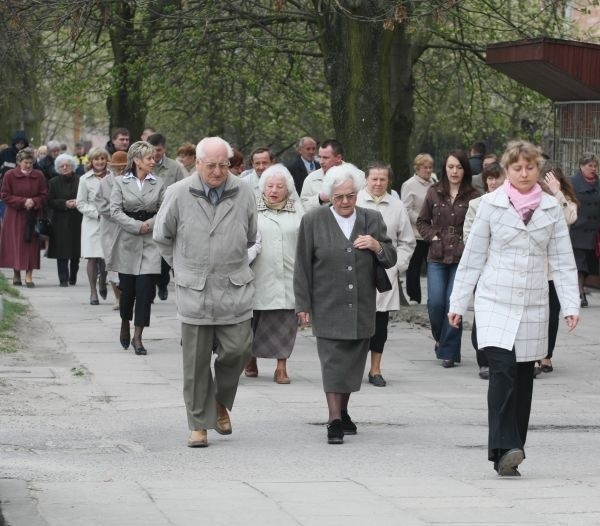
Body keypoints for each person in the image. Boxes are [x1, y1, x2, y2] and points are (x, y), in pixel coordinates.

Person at [448, 140, 580, 477]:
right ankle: (505, 445)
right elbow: (474, 255)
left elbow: (563, 262)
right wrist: (458, 302)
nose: (524, 173)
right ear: (506, 170)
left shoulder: (551, 208)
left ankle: (512, 450)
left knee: (523, 377)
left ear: (539, 169)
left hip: (534, 301)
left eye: (530, 167)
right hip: (495, 300)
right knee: (503, 370)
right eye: (517, 168)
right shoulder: (490, 205)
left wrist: (570, 305)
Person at [153, 136, 257, 448]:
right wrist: (181, 267)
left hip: (233, 286)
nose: (216, 171)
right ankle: (199, 425)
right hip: (194, 289)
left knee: (239, 349)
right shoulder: (179, 192)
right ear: (197, 164)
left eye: (222, 165)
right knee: (196, 362)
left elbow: (251, 235)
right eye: (210, 165)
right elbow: (162, 236)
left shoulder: (244, 191)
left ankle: (221, 401)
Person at [294, 164, 397, 444]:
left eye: (350, 195)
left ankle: (344, 409)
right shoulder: (313, 220)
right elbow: (302, 265)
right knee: (331, 363)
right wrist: (302, 304)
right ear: (328, 196)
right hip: (326, 302)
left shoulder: (371, 218)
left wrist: (376, 246)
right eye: (338, 197)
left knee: (352, 363)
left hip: (361, 304)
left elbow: (391, 257)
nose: (345, 202)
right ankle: (334, 419)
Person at [417, 150, 480, 368]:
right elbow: (422, 221)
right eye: (451, 166)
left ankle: (449, 352)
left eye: (459, 167)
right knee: (436, 303)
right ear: (444, 168)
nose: (454, 171)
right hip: (437, 254)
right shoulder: (434, 192)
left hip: (462, 256)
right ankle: (440, 338)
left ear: (465, 170)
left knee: (455, 302)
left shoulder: (474, 196)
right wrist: (433, 236)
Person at [243, 164, 304, 383]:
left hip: (288, 273)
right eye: (270, 185)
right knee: (254, 320)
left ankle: (281, 366)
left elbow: (304, 242)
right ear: (262, 188)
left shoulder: (297, 210)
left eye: (279, 186)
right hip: (258, 273)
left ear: (287, 189)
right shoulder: (252, 209)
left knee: (286, 322)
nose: (274, 190)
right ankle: (251, 358)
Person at [357, 161, 415, 387]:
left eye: (383, 179)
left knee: (379, 323)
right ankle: (353, 367)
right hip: (357, 271)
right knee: (357, 322)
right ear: (366, 179)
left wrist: (395, 266)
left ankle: (375, 369)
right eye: (374, 179)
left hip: (384, 273)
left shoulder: (397, 206)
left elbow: (407, 242)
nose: (378, 183)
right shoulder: (355, 201)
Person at [111, 141, 164, 355]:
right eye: (149, 158)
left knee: (145, 292)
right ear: (137, 161)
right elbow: (115, 211)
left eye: (154, 157)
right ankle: (125, 321)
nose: (154, 161)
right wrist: (135, 226)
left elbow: (163, 210)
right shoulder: (120, 182)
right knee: (128, 291)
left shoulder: (159, 183)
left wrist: (148, 225)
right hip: (127, 240)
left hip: (150, 242)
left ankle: (138, 336)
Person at [535, 162, 579, 376]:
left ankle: (546, 355)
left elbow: (569, 218)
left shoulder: (566, 201)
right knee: (535, 314)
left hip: (554, 269)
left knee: (552, 315)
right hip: (535, 266)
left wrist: (557, 193)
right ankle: (532, 354)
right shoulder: (534, 199)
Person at [463, 162, 506, 379]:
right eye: (488, 178)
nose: (491, 182)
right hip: (484, 269)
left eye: (496, 178)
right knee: (483, 315)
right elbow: (468, 237)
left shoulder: (514, 205)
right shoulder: (476, 205)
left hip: (506, 270)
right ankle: (484, 360)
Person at [0, 147, 47, 287]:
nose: (28, 165)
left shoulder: (39, 175)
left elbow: (44, 195)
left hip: (32, 216)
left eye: (31, 162)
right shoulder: (9, 175)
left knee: (31, 246)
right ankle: (16, 274)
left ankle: (29, 275)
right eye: (25, 162)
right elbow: (5, 195)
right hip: (14, 215)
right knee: (15, 245)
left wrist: (34, 201)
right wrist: (22, 201)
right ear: (19, 162)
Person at [147, 133, 186, 301]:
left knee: (163, 252)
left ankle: (162, 283)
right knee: (150, 253)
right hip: (148, 214)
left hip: (168, 212)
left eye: (159, 150)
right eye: (152, 150)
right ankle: (148, 288)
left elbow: (182, 189)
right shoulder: (144, 165)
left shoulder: (174, 167)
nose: (155, 154)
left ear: (164, 149)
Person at [95, 150, 129, 310]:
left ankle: (128, 296)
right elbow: (100, 205)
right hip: (109, 227)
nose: (121, 170)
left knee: (128, 264)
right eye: (118, 167)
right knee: (111, 261)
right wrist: (117, 213)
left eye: (123, 167)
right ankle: (117, 298)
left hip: (129, 229)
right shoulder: (104, 183)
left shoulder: (134, 181)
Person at [77, 147, 110, 305]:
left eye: (102, 159)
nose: (100, 162)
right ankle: (93, 292)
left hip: (109, 221)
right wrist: (96, 213)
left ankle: (103, 281)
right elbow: (80, 203)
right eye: (97, 159)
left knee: (104, 257)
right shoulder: (85, 179)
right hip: (91, 222)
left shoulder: (113, 177)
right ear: (91, 161)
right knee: (91, 257)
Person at [401, 153, 435, 304]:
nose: (428, 170)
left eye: (430, 167)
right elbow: (406, 209)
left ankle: (433, 298)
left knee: (433, 266)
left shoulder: (434, 183)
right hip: (416, 233)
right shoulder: (409, 185)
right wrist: (423, 219)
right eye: (425, 168)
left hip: (432, 233)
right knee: (414, 267)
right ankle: (414, 297)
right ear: (417, 168)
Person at [569, 152, 599, 307]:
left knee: (589, 265)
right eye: (590, 166)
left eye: (595, 166)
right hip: (578, 230)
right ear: (581, 166)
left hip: (595, 232)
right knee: (579, 266)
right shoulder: (573, 182)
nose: (593, 169)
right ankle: (580, 294)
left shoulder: (598, 184)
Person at [47, 154, 82, 286]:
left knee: (75, 252)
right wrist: (64, 203)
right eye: (62, 166)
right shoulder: (53, 182)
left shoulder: (80, 180)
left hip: (77, 219)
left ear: (73, 167)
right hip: (60, 220)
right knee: (61, 251)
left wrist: (77, 202)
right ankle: (63, 279)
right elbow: (50, 201)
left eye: (68, 165)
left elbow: (85, 196)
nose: (65, 167)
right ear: (58, 168)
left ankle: (73, 277)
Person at [300, 139, 349, 211]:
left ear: (338, 158)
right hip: (321, 221)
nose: (321, 162)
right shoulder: (311, 179)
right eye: (320, 157)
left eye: (325, 158)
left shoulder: (357, 176)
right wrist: (319, 199)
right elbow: (302, 208)